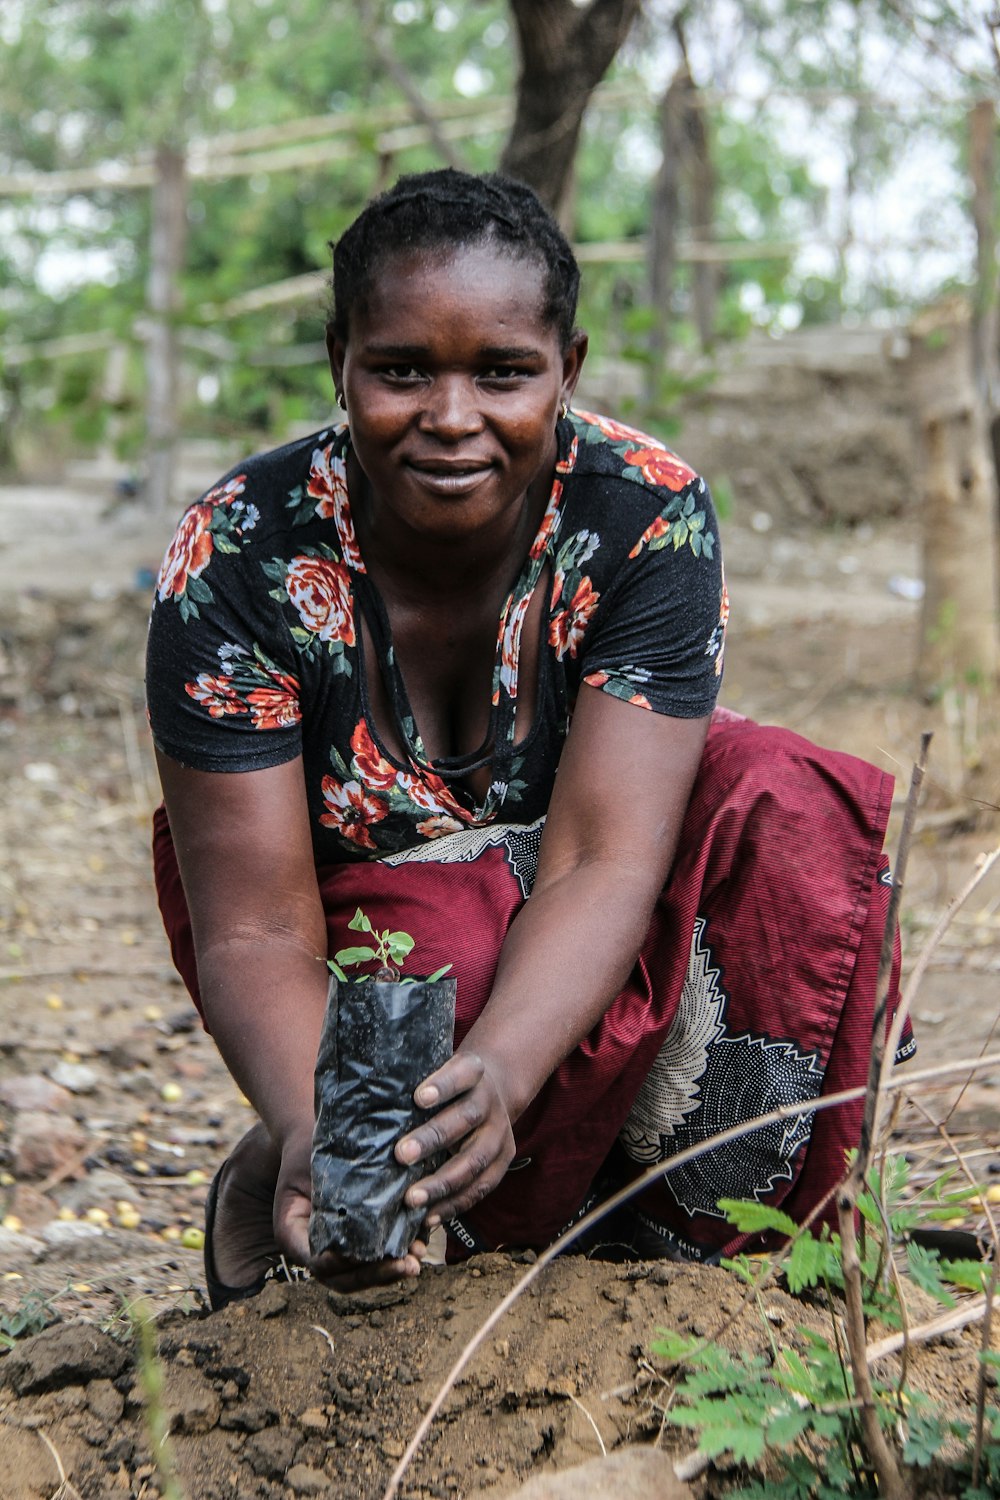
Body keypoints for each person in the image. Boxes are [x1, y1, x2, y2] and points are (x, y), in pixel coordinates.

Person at [146, 168, 912, 1306]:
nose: (451, 418)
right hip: (358, 918)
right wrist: (322, 1125)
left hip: (597, 878)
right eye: (402, 370)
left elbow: (606, 858)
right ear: (339, 367)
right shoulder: (240, 557)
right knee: (445, 951)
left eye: (502, 373)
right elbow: (256, 920)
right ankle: (318, 1174)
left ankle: (680, 1252)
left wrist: (505, 1074)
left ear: (568, 370)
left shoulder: (644, 513)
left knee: (787, 806)